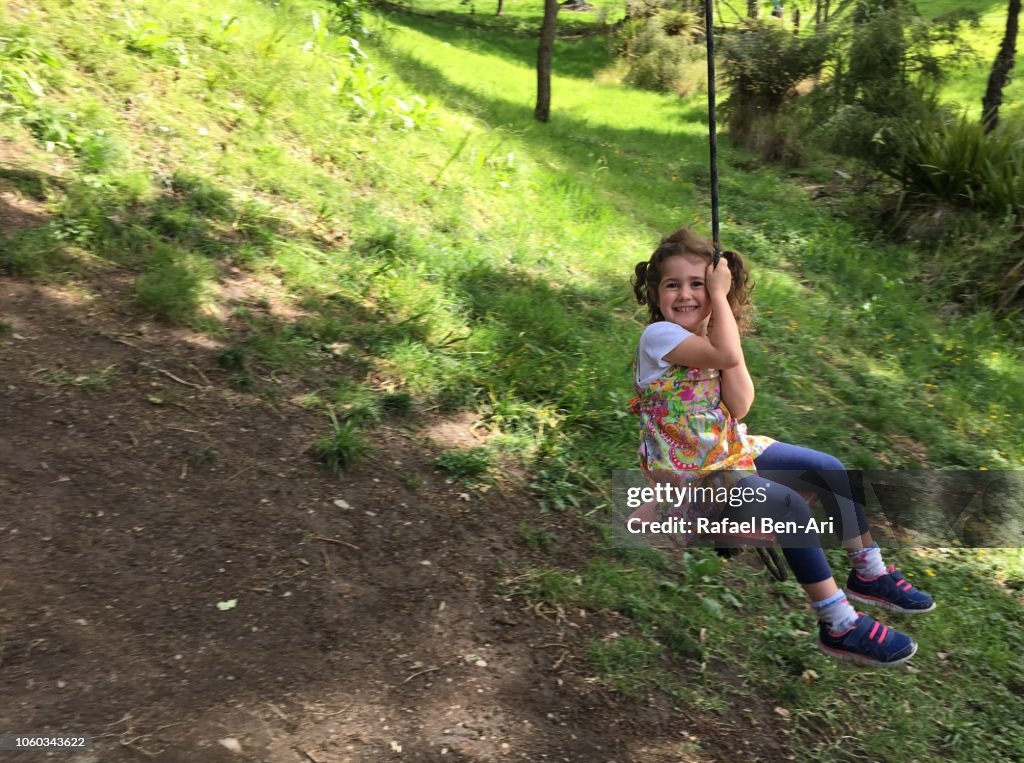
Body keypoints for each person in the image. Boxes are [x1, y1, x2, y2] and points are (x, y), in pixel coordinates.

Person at [628, 227, 934, 667]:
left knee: (828, 468)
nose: (686, 294)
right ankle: (838, 623)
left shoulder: (714, 337)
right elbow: (727, 358)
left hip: (728, 450)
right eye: (673, 285)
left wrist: (721, 315)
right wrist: (720, 301)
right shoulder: (658, 336)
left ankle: (869, 571)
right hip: (692, 474)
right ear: (656, 294)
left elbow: (739, 401)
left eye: (699, 284)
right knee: (790, 507)